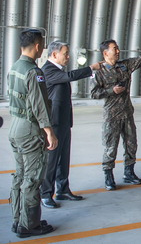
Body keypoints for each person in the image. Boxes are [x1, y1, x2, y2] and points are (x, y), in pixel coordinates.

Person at [91, 39, 141, 190]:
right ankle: (108, 177)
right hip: (112, 116)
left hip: (127, 113)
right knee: (111, 147)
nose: (118, 51)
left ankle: (129, 173)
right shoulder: (100, 72)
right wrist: (111, 91)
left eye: (117, 48)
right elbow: (93, 93)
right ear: (105, 53)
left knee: (131, 144)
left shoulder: (125, 65)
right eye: (114, 49)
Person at [7, 29, 58, 238]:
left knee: (20, 176)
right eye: (42, 45)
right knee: (32, 178)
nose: (43, 48)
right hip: (30, 130)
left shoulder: (15, 68)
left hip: (15, 128)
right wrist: (49, 133)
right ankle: (30, 226)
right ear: (37, 46)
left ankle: (19, 220)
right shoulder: (33, 72)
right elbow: (39, 107)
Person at [40, 41, 101, 209]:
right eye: (65, 53)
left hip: (65, 122)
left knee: (64, 159)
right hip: (54, 124)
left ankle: (62, 190)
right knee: (52, 160)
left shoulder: (58, 70)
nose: (68, 57)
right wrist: (91, 68)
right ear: (54, 54)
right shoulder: (48, 70)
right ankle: (46, 194)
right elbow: (70, 76)